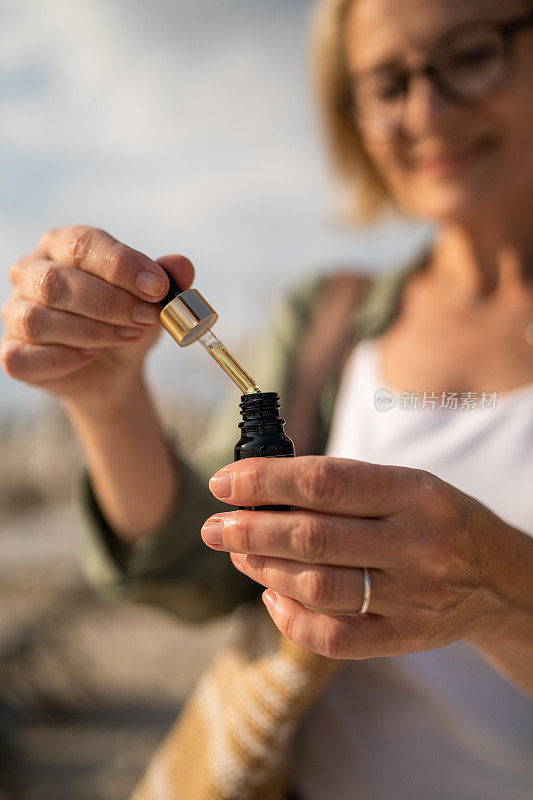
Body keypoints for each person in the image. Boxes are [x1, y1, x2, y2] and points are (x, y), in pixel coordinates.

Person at [2, 0, 533, 798]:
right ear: (350, 114)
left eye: (470, 54)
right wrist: (107, 401)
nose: (426, 108)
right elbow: (205, 572)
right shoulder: (326, 325)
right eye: (386, 82)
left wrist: (500, 589)